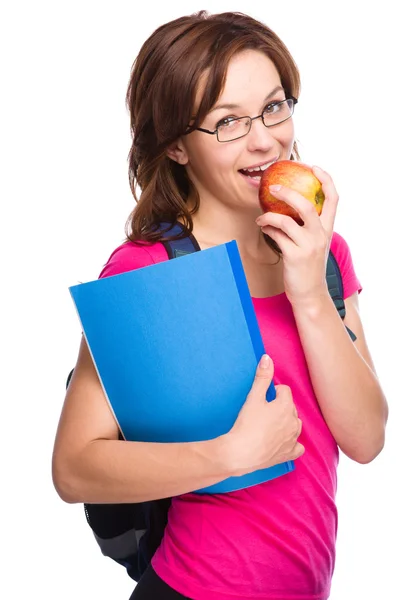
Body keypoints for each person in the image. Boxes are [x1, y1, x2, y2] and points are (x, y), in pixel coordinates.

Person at [52, 10, 388, 600]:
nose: (264, 139)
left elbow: (366, 438)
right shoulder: (150, 269)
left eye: (274, 106)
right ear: (178, 147)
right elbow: (74, 467)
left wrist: (307, 288)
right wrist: (229, 455)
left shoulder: (323, 252)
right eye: (227, 122)